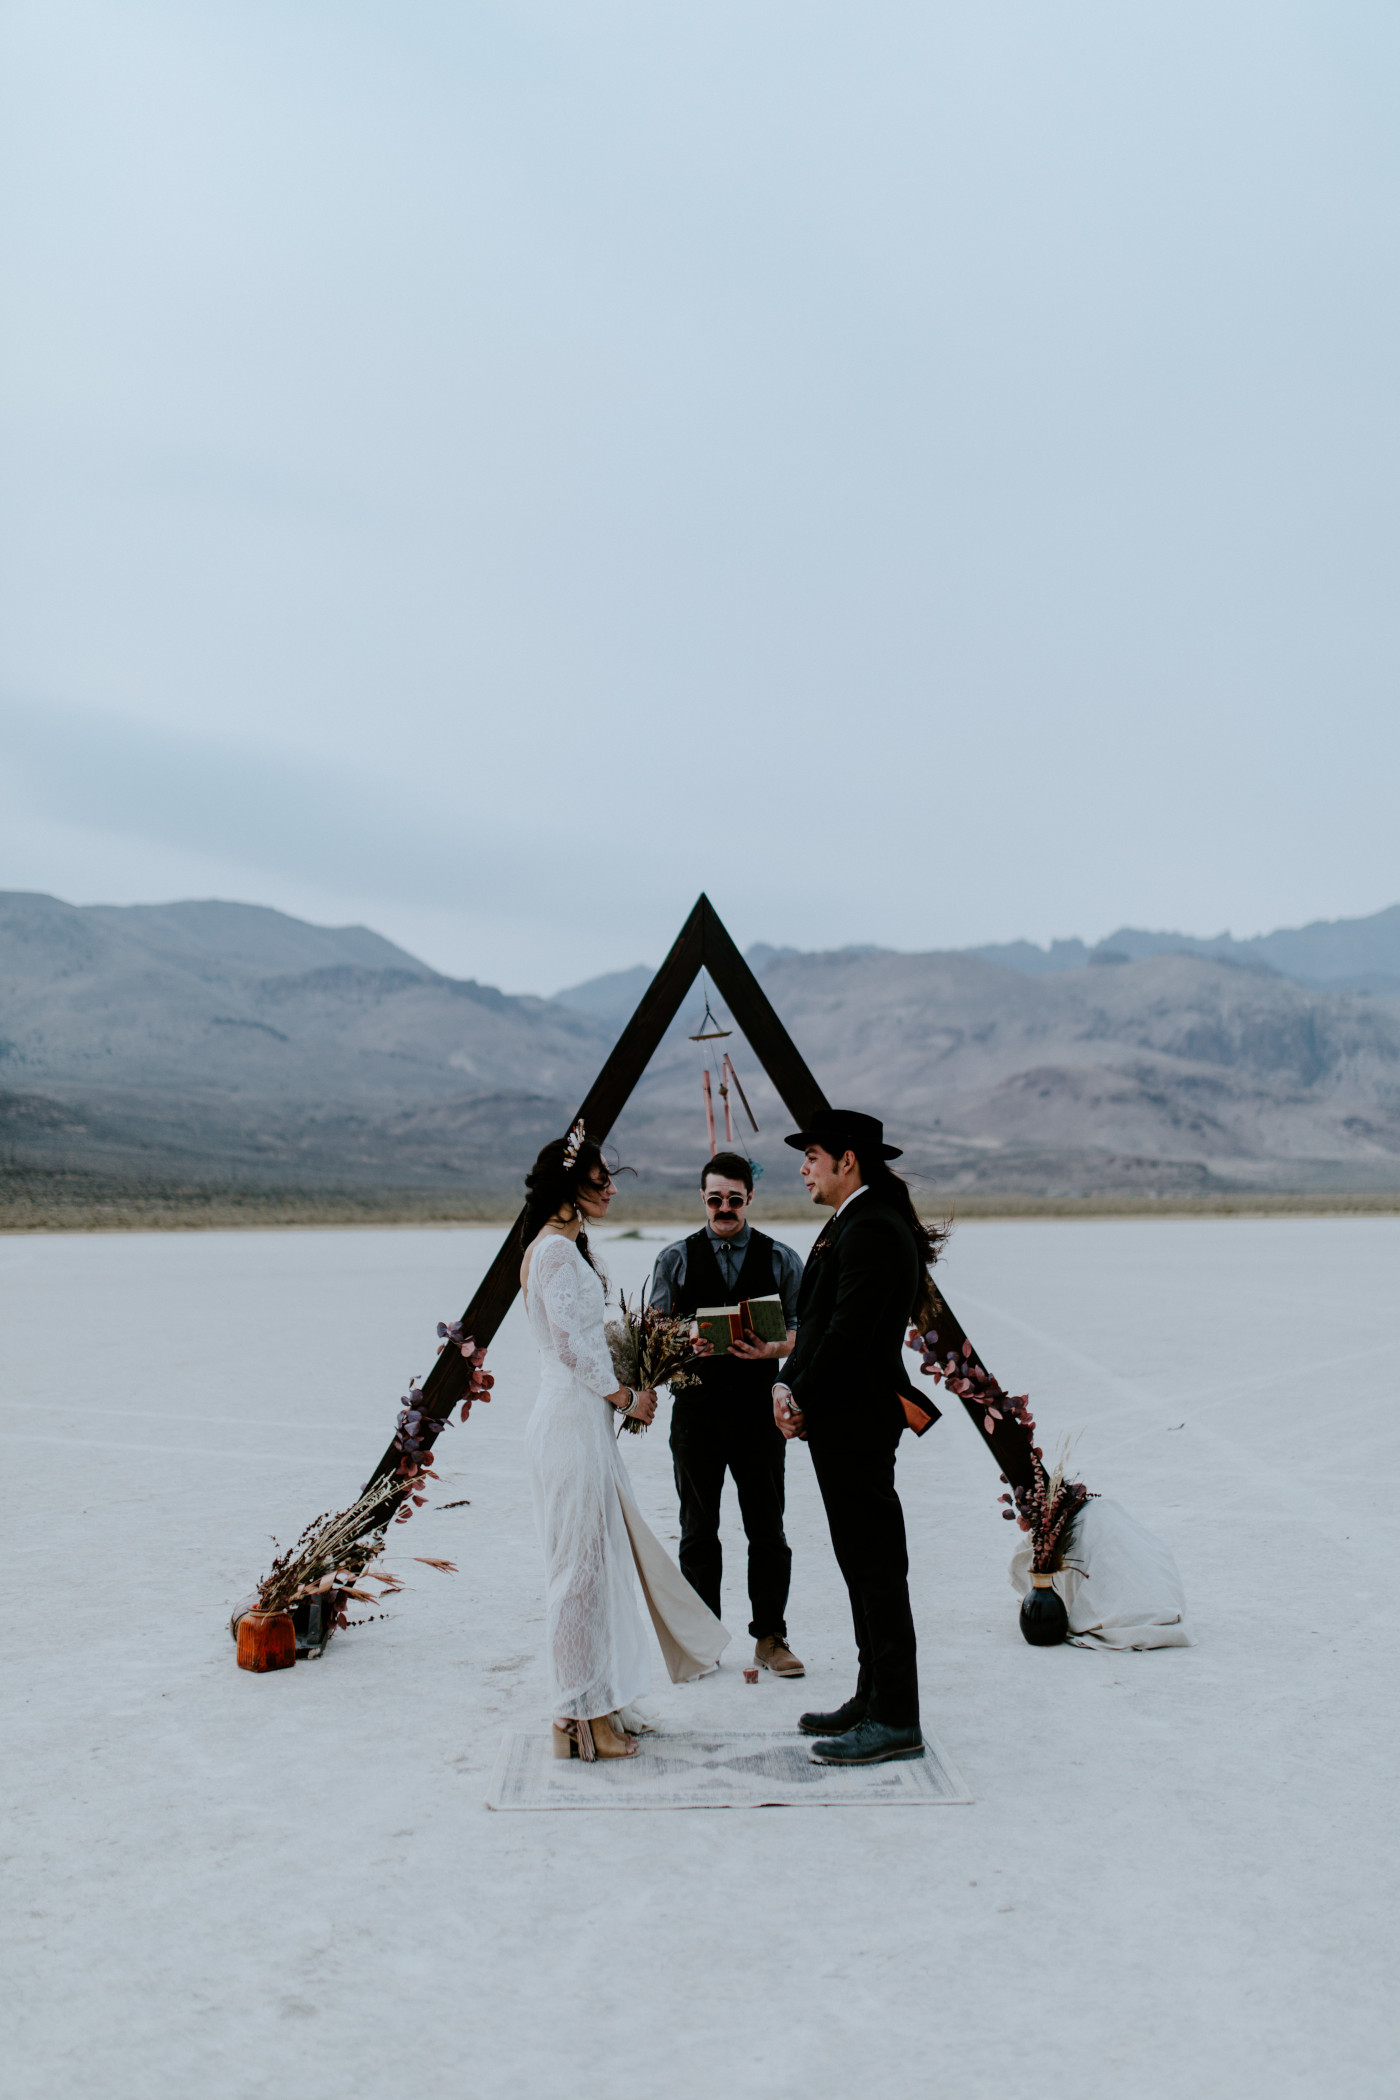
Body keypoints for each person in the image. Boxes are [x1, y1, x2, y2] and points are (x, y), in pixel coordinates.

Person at [520, 1120, 729, 1762]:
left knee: (598, 1567)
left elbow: (594, 1337)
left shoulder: (571, 1244)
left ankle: (602, 1703)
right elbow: (569, 1346)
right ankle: (574, 1718)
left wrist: (641, 1367)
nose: (611, 1188)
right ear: (569, 1184)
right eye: (599, 1178)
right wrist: (627, 1395)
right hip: (571, 1419)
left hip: (587, 1422)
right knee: (576, 1574)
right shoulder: (553, 1251)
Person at [772, 1109, 946, 1766]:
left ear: (849, 1160)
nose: (804, 1166)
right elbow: (814, 1325)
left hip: (857, 1419)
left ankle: (896, 1717)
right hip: (836, 1418)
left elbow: (847, 1338)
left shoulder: (873, 1229)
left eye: (813, 1154)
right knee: (861, 1563)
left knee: (876, 1568)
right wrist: (788, 1384)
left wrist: (797, 1394)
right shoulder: (852, 1222)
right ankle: (872, 1696)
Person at [647, 1152, 806, 1678]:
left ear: (749, 1200)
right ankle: (701, 1640)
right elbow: (652, 1338)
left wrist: (772, 1350)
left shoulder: (781, 1259)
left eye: (734, 1199)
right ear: (702, 1199)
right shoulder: (675, 1260)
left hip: (760, 1416)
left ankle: (771, 1637)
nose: (724, 1208)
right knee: (697, 1530)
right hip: (696, 1417)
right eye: (715, 1199)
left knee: (768, 1529)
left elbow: (804, 1334)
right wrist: (680, 1344)